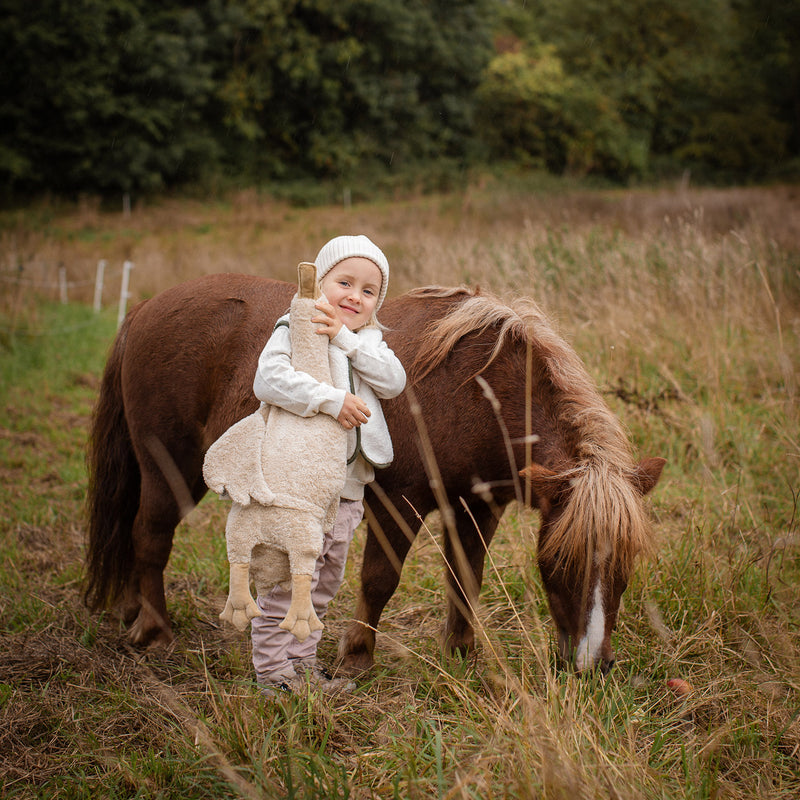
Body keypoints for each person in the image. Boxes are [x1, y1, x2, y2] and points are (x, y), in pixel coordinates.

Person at [251, 234, 406, 695]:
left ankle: (302, 667)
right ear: (320, 282)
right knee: (288, 579)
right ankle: (273, 674)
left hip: (347, 489)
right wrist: (329, 399)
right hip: (301, 482)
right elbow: (268, 379)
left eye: (368, 290)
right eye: (344, 282)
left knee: (323, 582)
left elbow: (393, 381)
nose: (355, 296)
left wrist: (347, 339)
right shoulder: (296, 326)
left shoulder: (371, 341)